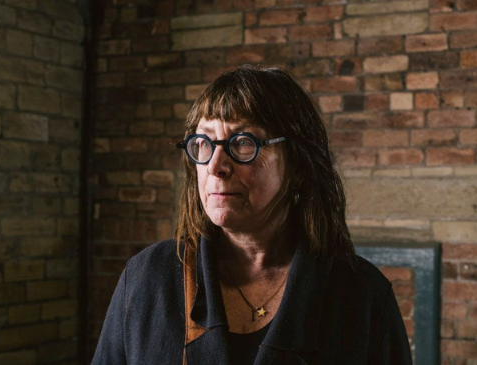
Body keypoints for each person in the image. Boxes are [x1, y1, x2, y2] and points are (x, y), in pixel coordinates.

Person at [92, 65, 413, 365]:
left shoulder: (362, 295)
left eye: (243, 143)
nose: (215, 166)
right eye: (203, 143)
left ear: (299, 164)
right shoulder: (148, 277)